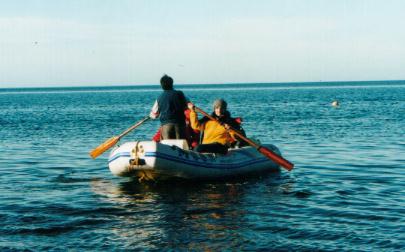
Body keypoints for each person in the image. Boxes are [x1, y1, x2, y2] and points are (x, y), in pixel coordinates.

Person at [149, 75, 188, 140]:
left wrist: (151, 116)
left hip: (166, 126)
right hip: (179, 124)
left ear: (162, 85)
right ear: (172, 84)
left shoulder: (159, 97)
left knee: (167, 147)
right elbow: (185, 107)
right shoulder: (180, 94)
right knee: (180, 146)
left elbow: (154, 115)